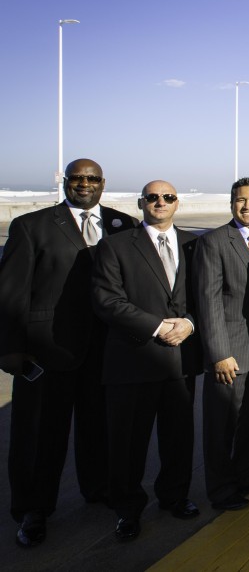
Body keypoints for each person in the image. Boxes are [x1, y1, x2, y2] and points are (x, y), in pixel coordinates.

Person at [0, 159, 136, 548]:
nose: (84, 184)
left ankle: (99, 488)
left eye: (92, 178)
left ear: (103, 184)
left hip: (106, 350)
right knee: (40, 434)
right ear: (66, 183)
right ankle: (32, 508)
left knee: (100, 428)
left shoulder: (121, 223)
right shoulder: (33, 226)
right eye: (77, 178)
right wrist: (10, 349)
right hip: (49, 351)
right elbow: (10, 293)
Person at [91, 180, 201, 541]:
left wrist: (187, 322)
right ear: (142, 203)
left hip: (179, 359)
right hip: (133, 360)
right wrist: (156, 326)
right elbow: (107, 300)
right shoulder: (115, 246)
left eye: (167, 197)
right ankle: (127, 509)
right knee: (128, 443)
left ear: (176, 203)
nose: (160, 202)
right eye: (152, 197)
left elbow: (205, 294)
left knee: (178, 438)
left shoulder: (194, 244)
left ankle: (175, 496)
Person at [194, 177, 249, 511]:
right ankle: (221, 489)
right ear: (232, 203)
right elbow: (208, 302)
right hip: (230, 351)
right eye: (241, 200)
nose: (248, 206)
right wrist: (219, 354)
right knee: (222, 426)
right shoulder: (214, 242)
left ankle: (248, 476)